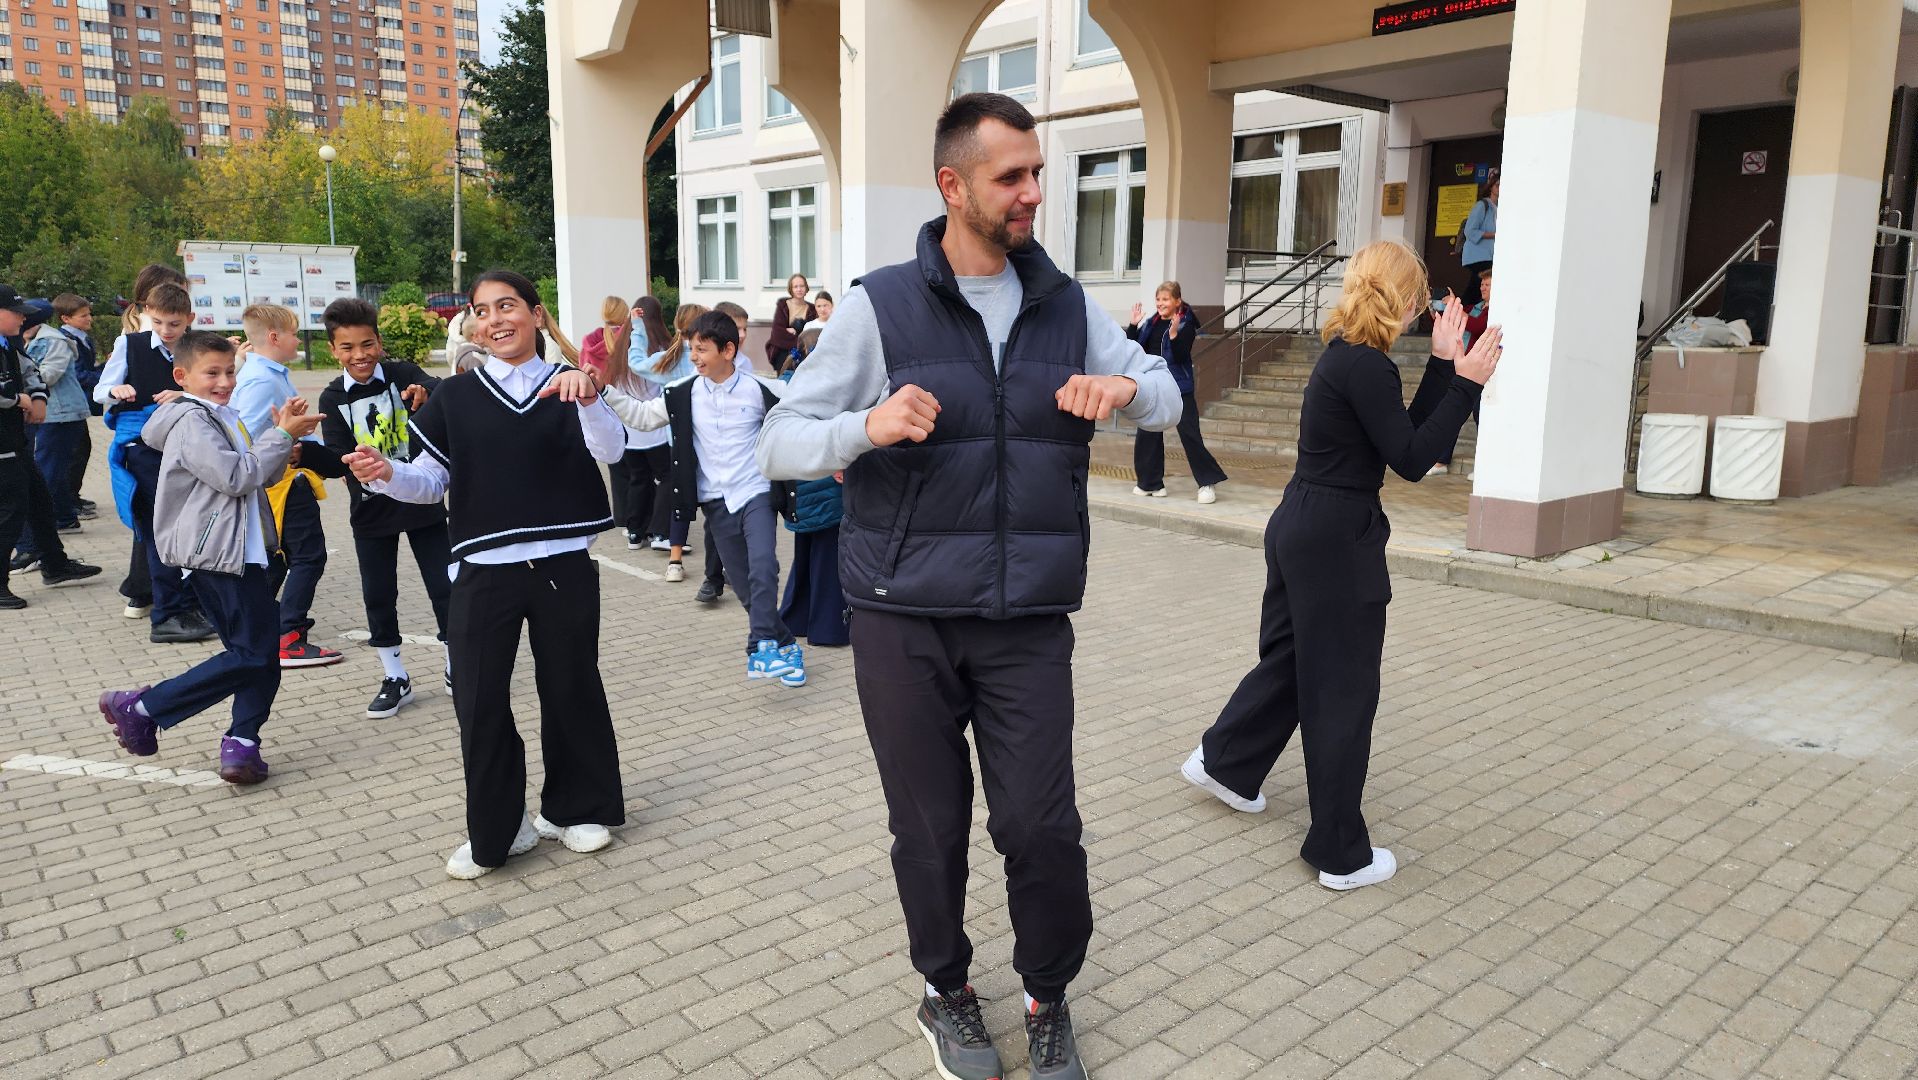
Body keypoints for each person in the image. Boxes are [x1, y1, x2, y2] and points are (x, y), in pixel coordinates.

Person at [757, 92, 1180, 1080]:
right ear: (953, 185)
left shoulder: (1065, 304)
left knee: (1041, 826)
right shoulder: (879, 306)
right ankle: (945, 990)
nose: (1032, 193)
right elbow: (777, 439)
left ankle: (1046, 996)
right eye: (1010, 177)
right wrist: (865, 427)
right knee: (929, 828)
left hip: (1026, 615)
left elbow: (1164, 394)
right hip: (901, 617)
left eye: (1037, 174)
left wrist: (1124, 388)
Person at [1181, 240, 1502, 891]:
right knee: (1343, 692)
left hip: (1302, 522)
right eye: (1419, 299)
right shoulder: (1365, 366)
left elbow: (1399, 437)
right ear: (1401, 298)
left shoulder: (1348, 357)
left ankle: (1227, 763)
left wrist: (1443, 363)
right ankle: (1339, 852)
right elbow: (1413, 459)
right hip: (1334, 538)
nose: (1422, 310)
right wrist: (1468, 381)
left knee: (1292, 660)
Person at [342, 270, 626, 881]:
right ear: (473, 323)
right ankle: (500, 828)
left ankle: (575, 809)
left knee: (571, 685)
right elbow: (431, 482)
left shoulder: (570, 384)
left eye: (508, 305)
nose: (495, 319)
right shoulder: (455, 396)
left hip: (563, 565)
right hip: (483, 570)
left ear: (535, 313)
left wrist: (589, 396)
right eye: (482, 310)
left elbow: (612, 451)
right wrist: (387, 474)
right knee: (478, 699)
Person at [97, 332, 324, 784]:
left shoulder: (223, 416)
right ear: (181, 376)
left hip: (243, 552)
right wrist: (281, 435)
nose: (224, 381)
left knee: (259, 654)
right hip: (217, 555)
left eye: (230, 372)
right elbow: (236, 477)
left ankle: (242, 746)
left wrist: (283, 441)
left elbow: (259, 477)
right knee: (254, 655)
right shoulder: (191, 421)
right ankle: (143, 707)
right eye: (212, 373)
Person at [603, 311, 805, 686]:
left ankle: (761, 646)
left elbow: (807, 410)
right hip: (715, 500)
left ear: (728, 350)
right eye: (692, 349)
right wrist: (605, 392)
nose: (693, 357)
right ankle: (787, 645)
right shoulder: (683, 393)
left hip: (756, 493)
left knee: (764, 567)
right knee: (743, 584)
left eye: (701, 349)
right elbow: (643, 417)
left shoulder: (762, 389)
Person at [310, 297, 451, 718]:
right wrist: (302, 453)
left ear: (379, 342)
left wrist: (428, 391)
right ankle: (395, 677)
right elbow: (338, 461)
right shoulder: (332, 397)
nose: (360, 355)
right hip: (371, 511)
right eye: (348, 347)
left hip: (423, 501)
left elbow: (440, 388)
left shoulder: (402, 374)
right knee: (378, 595)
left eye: (367, 344)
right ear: (333, 350)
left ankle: (456, 665)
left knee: (446, 587)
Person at [96, 276, 216, 643]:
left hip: (186, 445)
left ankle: (191, 605)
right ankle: (166, 614)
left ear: (189, 319)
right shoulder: (130, 345)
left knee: (190, 528)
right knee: (158, 531)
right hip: (143, 449)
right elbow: (100, 390)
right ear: (147, 312)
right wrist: (116, 389)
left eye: (174, 324)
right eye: (159, 322)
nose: (166, 331)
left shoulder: (197, 348)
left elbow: (216, 393)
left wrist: (184, 395)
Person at [231, 303, 341, 668]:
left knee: (278, 559)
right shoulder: (262, 380)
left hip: (283, 478)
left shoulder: (267, 373)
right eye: (294, 334)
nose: (298, 340)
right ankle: (288, 636)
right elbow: (245, 436)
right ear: (274, 337)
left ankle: (252, 626)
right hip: (281, 482)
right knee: (308, 557)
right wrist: (286, 439)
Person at [0, 284, 104, 610]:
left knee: (40, 501)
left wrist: (38, 397)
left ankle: (54, 564)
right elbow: (15, 389)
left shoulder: (9, 344)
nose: (23, 319)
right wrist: (19, 399)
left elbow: (31, 371)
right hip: (3, 445)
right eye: (16, 312)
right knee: (10, 513)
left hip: (14, 439)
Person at [1127, 281, 1228, 504]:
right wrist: (1133, 325)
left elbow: (1182, 356)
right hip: (1153, 384)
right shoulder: (1151, 323)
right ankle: (1150, 483)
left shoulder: (1185, 324)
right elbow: (1133, 349)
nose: (1160, 303)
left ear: (1177, 301)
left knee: (1190, 435)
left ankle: (1207, 483)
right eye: (1158, 299)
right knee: (1148, 432)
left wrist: (1173, 335)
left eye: (1165, 299)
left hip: (1178, 387)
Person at [583, 295, 671, 551]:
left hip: (628, 430)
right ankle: (660, 531)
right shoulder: (660, 350)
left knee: (638, 480)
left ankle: (635, 531)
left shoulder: (621, 348)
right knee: (667, 478)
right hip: (654, 428)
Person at [24, 295, 92, 537]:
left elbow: (48, 376)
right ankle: (65, 518)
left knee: (46, 471)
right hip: (47, 414)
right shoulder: (28, 340)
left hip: (61, 415)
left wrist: (15, 381)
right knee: (53, 469)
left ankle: (36, 533)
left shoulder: (53, 340)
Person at [1432, 267, 1492, 477]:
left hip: (1482, 372)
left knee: (1480, 418)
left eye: (1488, 284)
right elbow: (1458, 320)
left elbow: (1476, 326)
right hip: (1464, 368)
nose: (1483, 288)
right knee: (1453, 414)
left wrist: (1456, 306)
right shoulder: (1475, 307)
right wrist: (1444, 307)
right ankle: (1441, 461)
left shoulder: (1495, 310)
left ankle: (1483, 468)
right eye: (1482, 284)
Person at [778, 469, 847, 647]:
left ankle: (797, 620)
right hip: (827, 485)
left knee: (806, 558)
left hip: (801, 487)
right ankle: (828, 629)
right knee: (827, 560)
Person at [1460, 174, 1498, 307]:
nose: (1500, 188)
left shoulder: (1498, 208)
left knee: (1480, 287)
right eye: (1497, 185)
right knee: (1479, 286)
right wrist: (1493, 235)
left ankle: (1468, 311)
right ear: (1491, 187)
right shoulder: (1483, 206)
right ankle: (1463, 310)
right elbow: (1470, 231)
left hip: (1489, 255)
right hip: (1478, 256)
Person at [765, 273, 816, 370]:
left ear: (806, 288)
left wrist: (792, 334)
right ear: (791, 289)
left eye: (802, 286)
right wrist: (801, 341)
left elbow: (811, 334)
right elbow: (777, 333)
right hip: (783, 351)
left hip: (804, 352)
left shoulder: (812, 309)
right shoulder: (783, 306)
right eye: (795, 287)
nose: (799, 289)